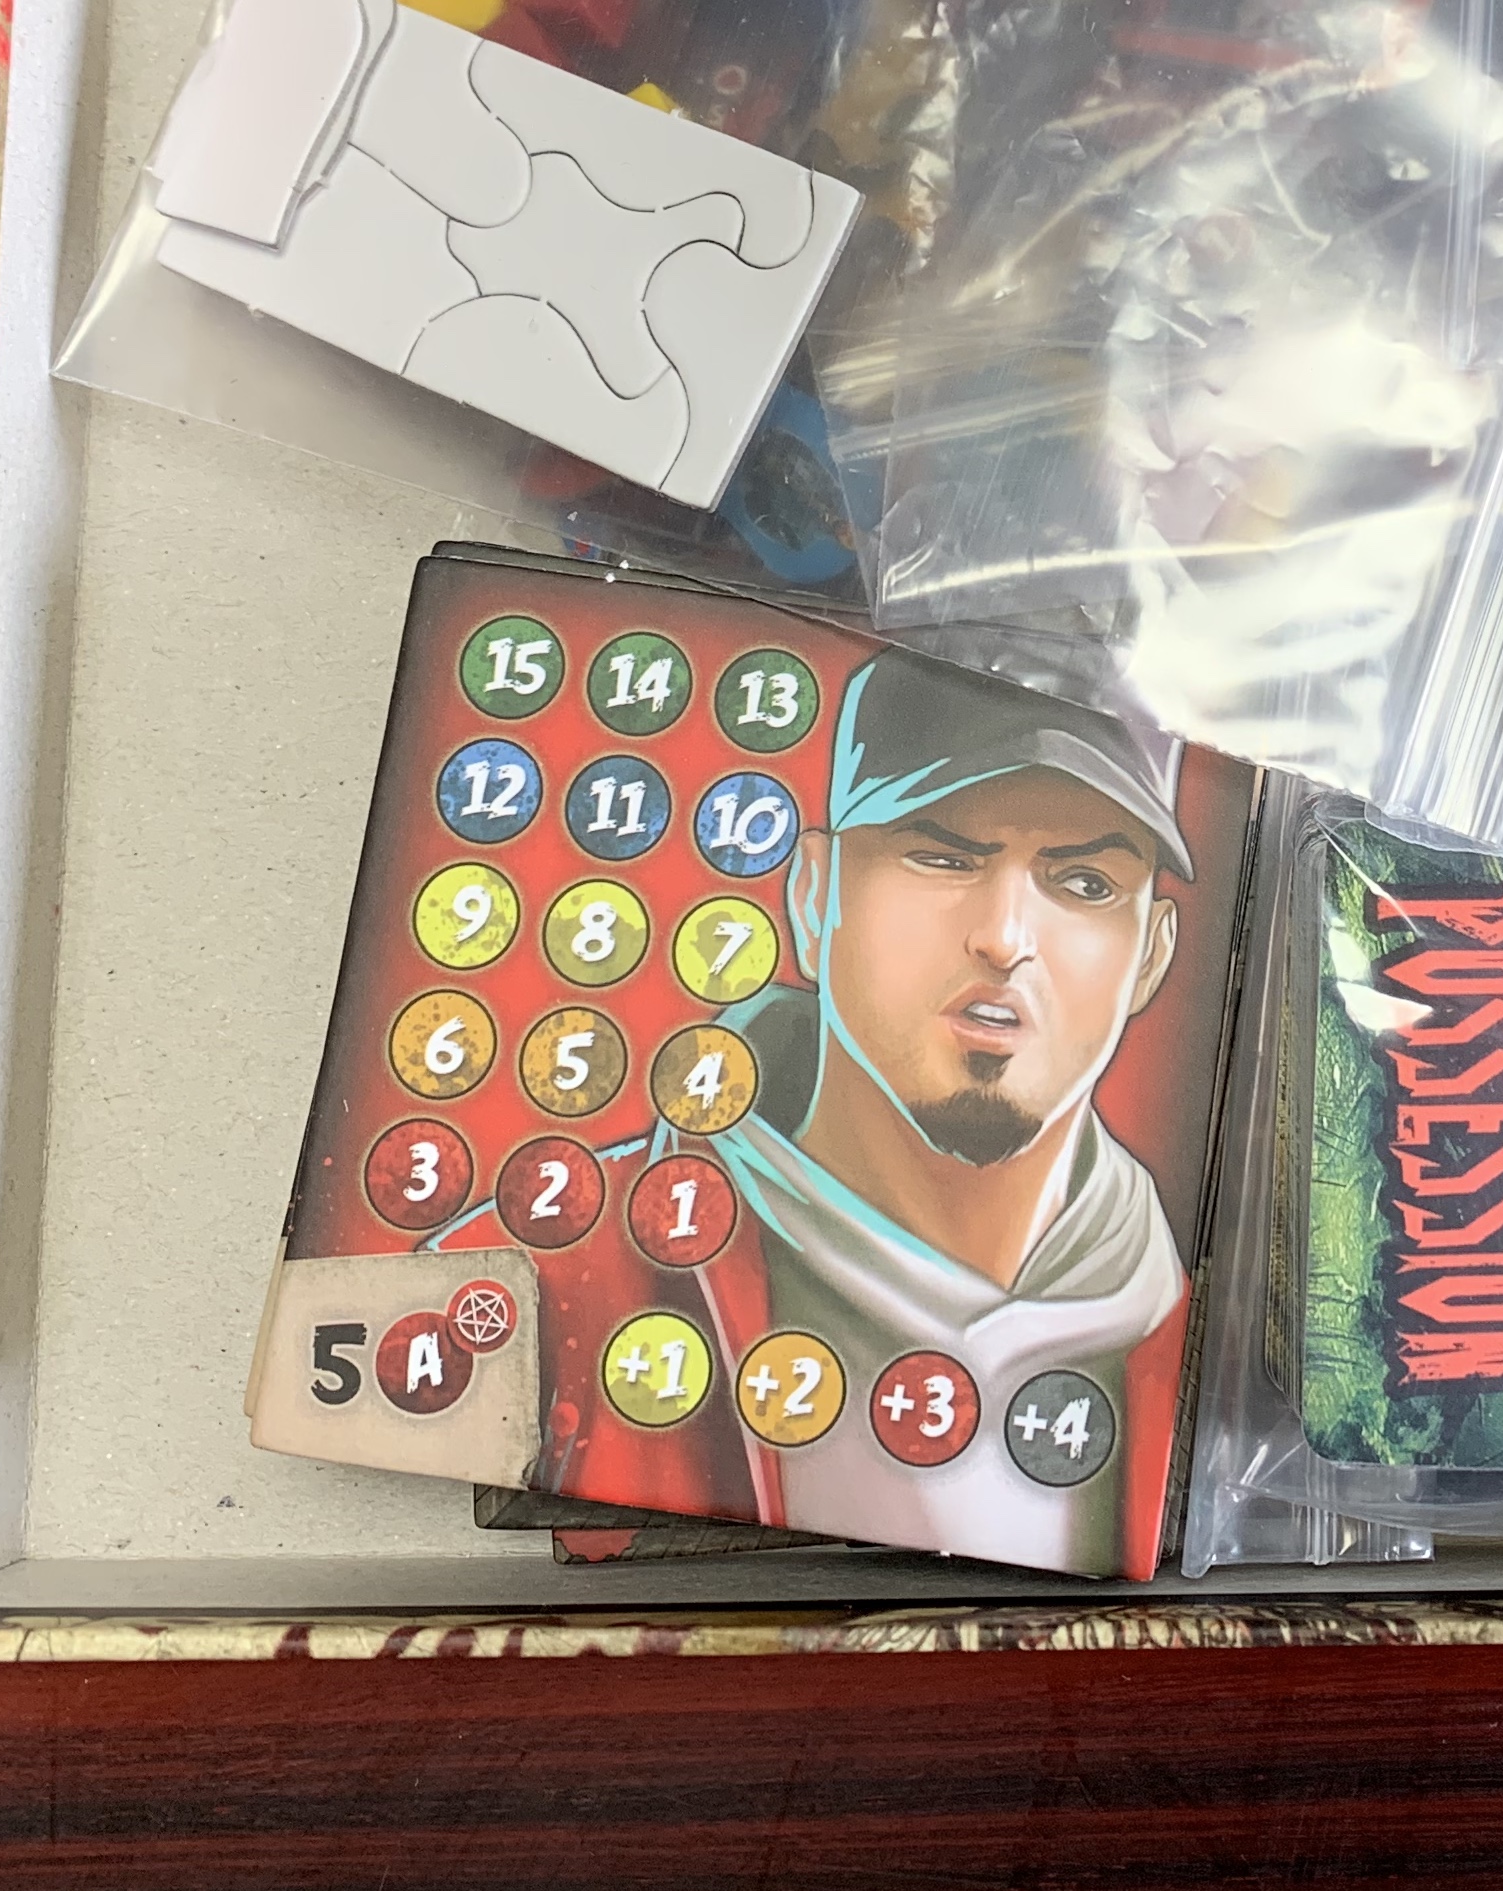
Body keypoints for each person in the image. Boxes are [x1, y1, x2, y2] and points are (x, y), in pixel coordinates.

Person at [496, 649, 1200, 1579]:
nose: (1004, 937)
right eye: (942, 857)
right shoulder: (545, 1277)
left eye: (1084, 884)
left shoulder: (1204, 1334)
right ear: (812, 894)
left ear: (1151, 955)